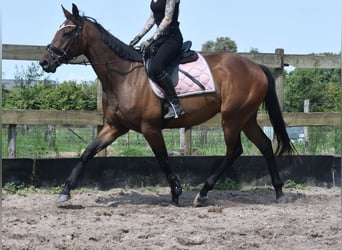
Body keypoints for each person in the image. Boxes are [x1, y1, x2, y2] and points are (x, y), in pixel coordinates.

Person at [130, 0, 184, 119]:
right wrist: (138, 37)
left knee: (156, 67)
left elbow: (168, 19)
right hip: (159, 39)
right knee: (144, 61)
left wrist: (152, 38)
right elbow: (152, 19)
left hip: (172, 38)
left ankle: (175, 104)